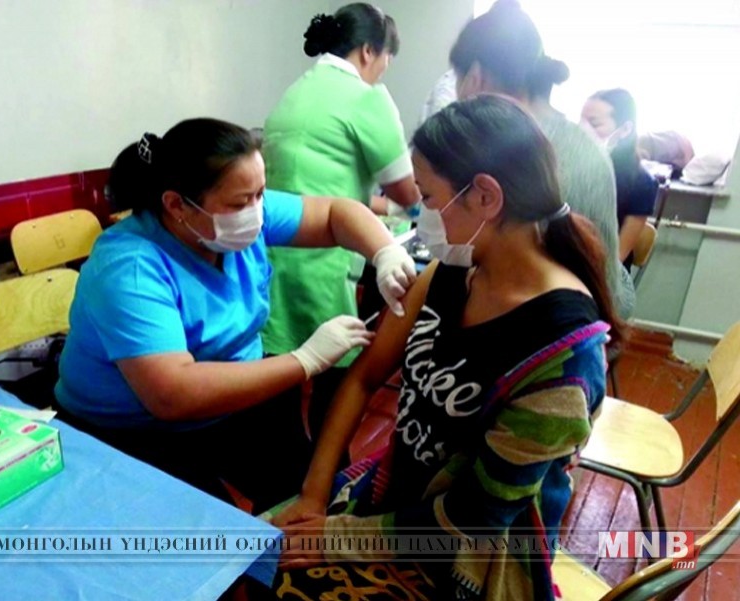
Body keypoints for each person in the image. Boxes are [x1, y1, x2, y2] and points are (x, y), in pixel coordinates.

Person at [262, 96, 619, 600]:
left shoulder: (561, 356)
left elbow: (476, 517)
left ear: (485, 196)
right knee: (249, 555)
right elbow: (365, 376)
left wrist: (337, 537)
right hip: (395, 499)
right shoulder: (453, 270)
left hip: (467, 555)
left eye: (429, 199)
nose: (423, 216)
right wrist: (313, 496)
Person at [54, 118, 416, 511]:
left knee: (310, 489)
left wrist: (385, 253)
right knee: (207, 529)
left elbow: (335, 214)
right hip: (133, 428)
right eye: (241, 203)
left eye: (260, 194)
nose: (257, 212)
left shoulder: (234, 218)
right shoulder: (131, 268)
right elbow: (171, 394)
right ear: (176, 205)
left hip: (236, 393)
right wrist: (305, 360)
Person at [261, 3, 421, 427]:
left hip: (273, 253)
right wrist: (419, 209)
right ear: (369, 51)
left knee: (280, 373)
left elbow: (321, 185)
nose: (383, 71)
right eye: (386, 60)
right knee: (335, 384)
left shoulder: (295, 93)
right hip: (322, 258)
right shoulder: (367, 98)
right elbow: (407, 191)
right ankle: (327, 463)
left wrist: (385, 207)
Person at [449, 0, 635, 319]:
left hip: (561, 320)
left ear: (475, 78)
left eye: (457, 78)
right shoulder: (581, 140)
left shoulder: (511, 149)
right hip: (605, 304)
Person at [581, 89, 660, 269]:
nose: (583, 130)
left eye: (594, 123)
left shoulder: (642, 183)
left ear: (625, 129)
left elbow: (617, 257)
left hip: (601, 272)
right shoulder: (570, 166)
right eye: (581, 121)